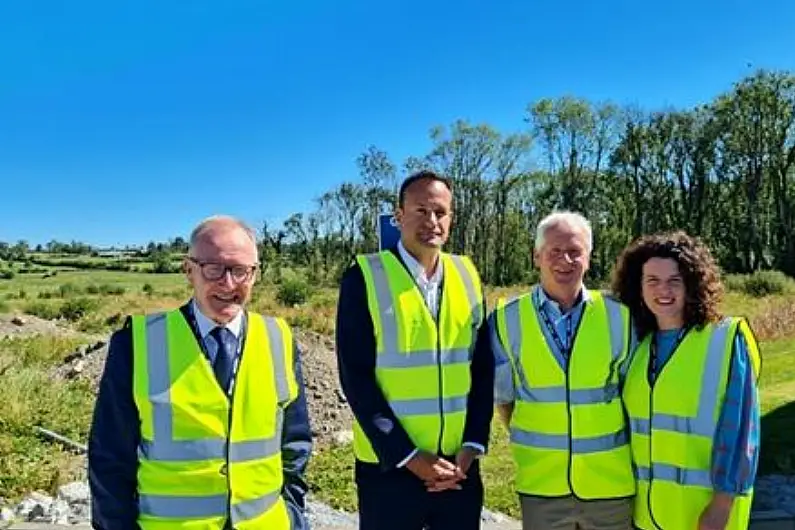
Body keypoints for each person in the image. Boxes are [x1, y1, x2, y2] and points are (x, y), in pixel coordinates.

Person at [87, 215, 313, 530]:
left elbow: (295, 443)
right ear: (188, 270)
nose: (228, 283)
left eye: (240, 271)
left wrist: (293, 514)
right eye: (213, 268)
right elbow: (110, 458)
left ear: (255, 274)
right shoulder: (137, 344)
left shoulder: (279, 339)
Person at [335, 170, 495, 530]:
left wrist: (472, 444)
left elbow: (482, 370)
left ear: (451, 218)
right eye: (421, 211)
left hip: (458, 467)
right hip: (389, 468)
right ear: (399, 215)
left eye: (440, 212)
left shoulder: (467, 275)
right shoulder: (364, 276)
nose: (432, 221)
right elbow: (356, 377)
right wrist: (408, 456)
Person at [489, 211, 636, 530]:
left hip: (610, 485)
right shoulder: (505, 320)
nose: (565, 260)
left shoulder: (621, 317)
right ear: (536, 256)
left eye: (575, 251)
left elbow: (635, 397)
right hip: (542, 486)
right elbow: (504, 398)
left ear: (589, 257)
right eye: (554, 251)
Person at [611, 231, 761, 530]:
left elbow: (741, 432)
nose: (662, 290)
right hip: (646, 514)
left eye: (674, 280)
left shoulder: (724, 339)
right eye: (652, 280)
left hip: (705, 515)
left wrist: (721, 505)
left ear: (692, 284)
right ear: (638, 287)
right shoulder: (638, 347)